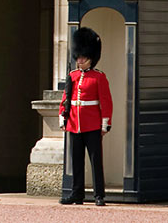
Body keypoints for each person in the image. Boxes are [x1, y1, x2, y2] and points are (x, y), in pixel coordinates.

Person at [58, 27, 113, 206]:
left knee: (95, 161)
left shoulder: (99, 77)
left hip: (92, 124)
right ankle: (77, 193)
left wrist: (105, 123)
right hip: (74, 123)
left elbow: (105, 101)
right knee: (76, 161)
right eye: (78, 57)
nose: (80, 60)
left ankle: (99, 195)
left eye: (83, 57)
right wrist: (62, 116)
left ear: (90, 57)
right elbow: (66, 98)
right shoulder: (72, 76)